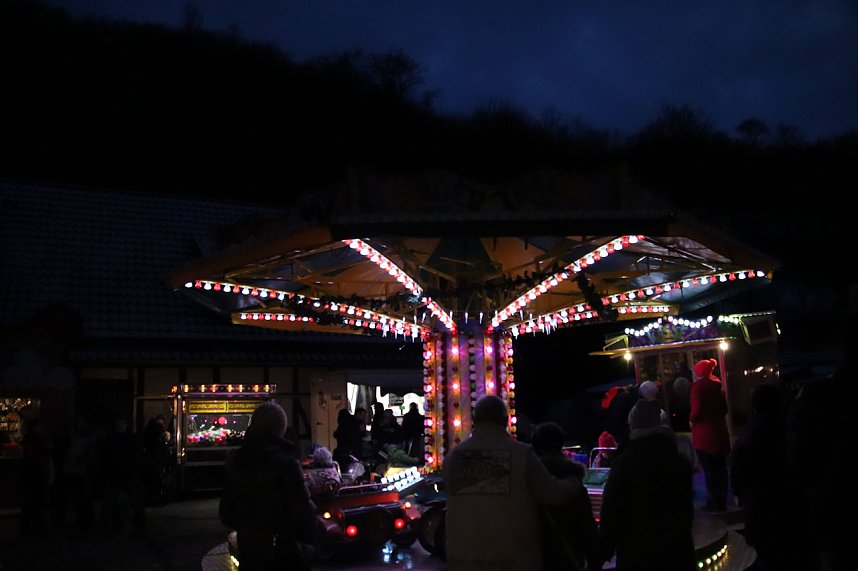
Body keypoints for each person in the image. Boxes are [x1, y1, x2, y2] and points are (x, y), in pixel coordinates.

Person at [443, 395, 579, 571]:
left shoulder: (453, 457)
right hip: (512, 557)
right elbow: (551, 493)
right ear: (506, 420)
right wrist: (574, 482)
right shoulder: (522, 454)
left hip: (462, 557)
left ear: (474, 420)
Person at [219, 401, 318, 571]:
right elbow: (304, 516)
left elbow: (226, 514)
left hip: (250, 553)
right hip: (283, 553)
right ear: (282, 430)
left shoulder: (237, 461)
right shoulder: (287, 464)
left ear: (253, 427)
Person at [599, 398, 695, 571]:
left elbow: (612, 513)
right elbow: (687, 508)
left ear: (633, 425)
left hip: (638, 552)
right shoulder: (677, 460)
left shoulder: (625, 463)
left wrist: (603, 550)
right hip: (677, 548)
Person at [731, 383, 811, 571]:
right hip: (792, 508)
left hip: (761, 511)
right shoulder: (791, 429)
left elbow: (737, 477)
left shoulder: (748, 436)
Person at [531, 421, 604, 570]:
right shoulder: (574, 483)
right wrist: (594, 558)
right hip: (568, 557)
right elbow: (587, 528)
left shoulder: (528, 480)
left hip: (534, 557)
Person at [689, 358, 731, 512]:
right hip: (719, 432)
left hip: (704, 434)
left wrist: (692, 420)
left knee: (709, 469)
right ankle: (722, 500)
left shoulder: (697, 387)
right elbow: (725, 409)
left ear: (698, 372)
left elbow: (697, 410)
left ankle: (713, 500)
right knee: (721, 468)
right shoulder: (717, 385)